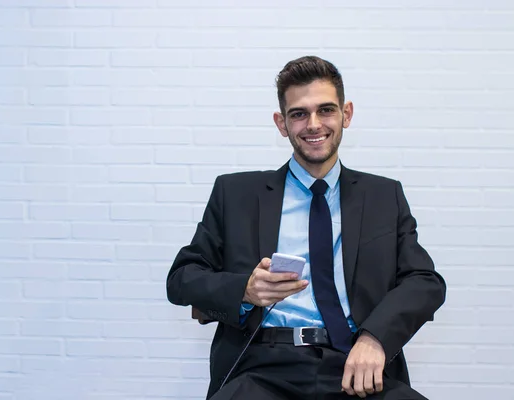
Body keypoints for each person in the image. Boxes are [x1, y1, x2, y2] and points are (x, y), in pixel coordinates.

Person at [166, 56, 446, 400]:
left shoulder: (384, 196)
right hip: (261, 368)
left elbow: (425, 281)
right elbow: (182, 279)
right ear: (281, 123)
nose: (314, 124)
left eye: (326, 110)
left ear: (347, 114)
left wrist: (375, 337)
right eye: (299, 114)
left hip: (354, 365)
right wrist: (246, 290)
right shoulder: (235, 194)